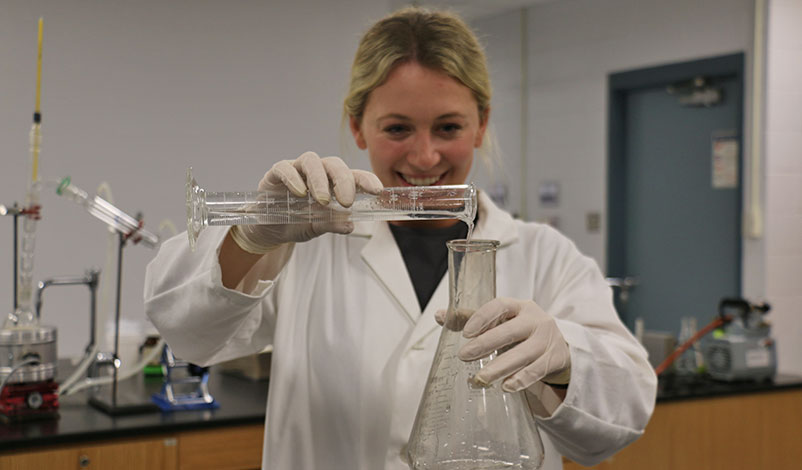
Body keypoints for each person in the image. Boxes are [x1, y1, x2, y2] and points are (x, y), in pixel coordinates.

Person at [144, 7, 657, 470]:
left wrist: (565, 358)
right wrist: (252, 238)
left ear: (482, 125)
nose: (426, 157)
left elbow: (622, 419)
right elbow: (186, 332)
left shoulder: (546, 256)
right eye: (397, 129)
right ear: (358, 127)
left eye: (449, 127)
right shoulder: (306, 244)